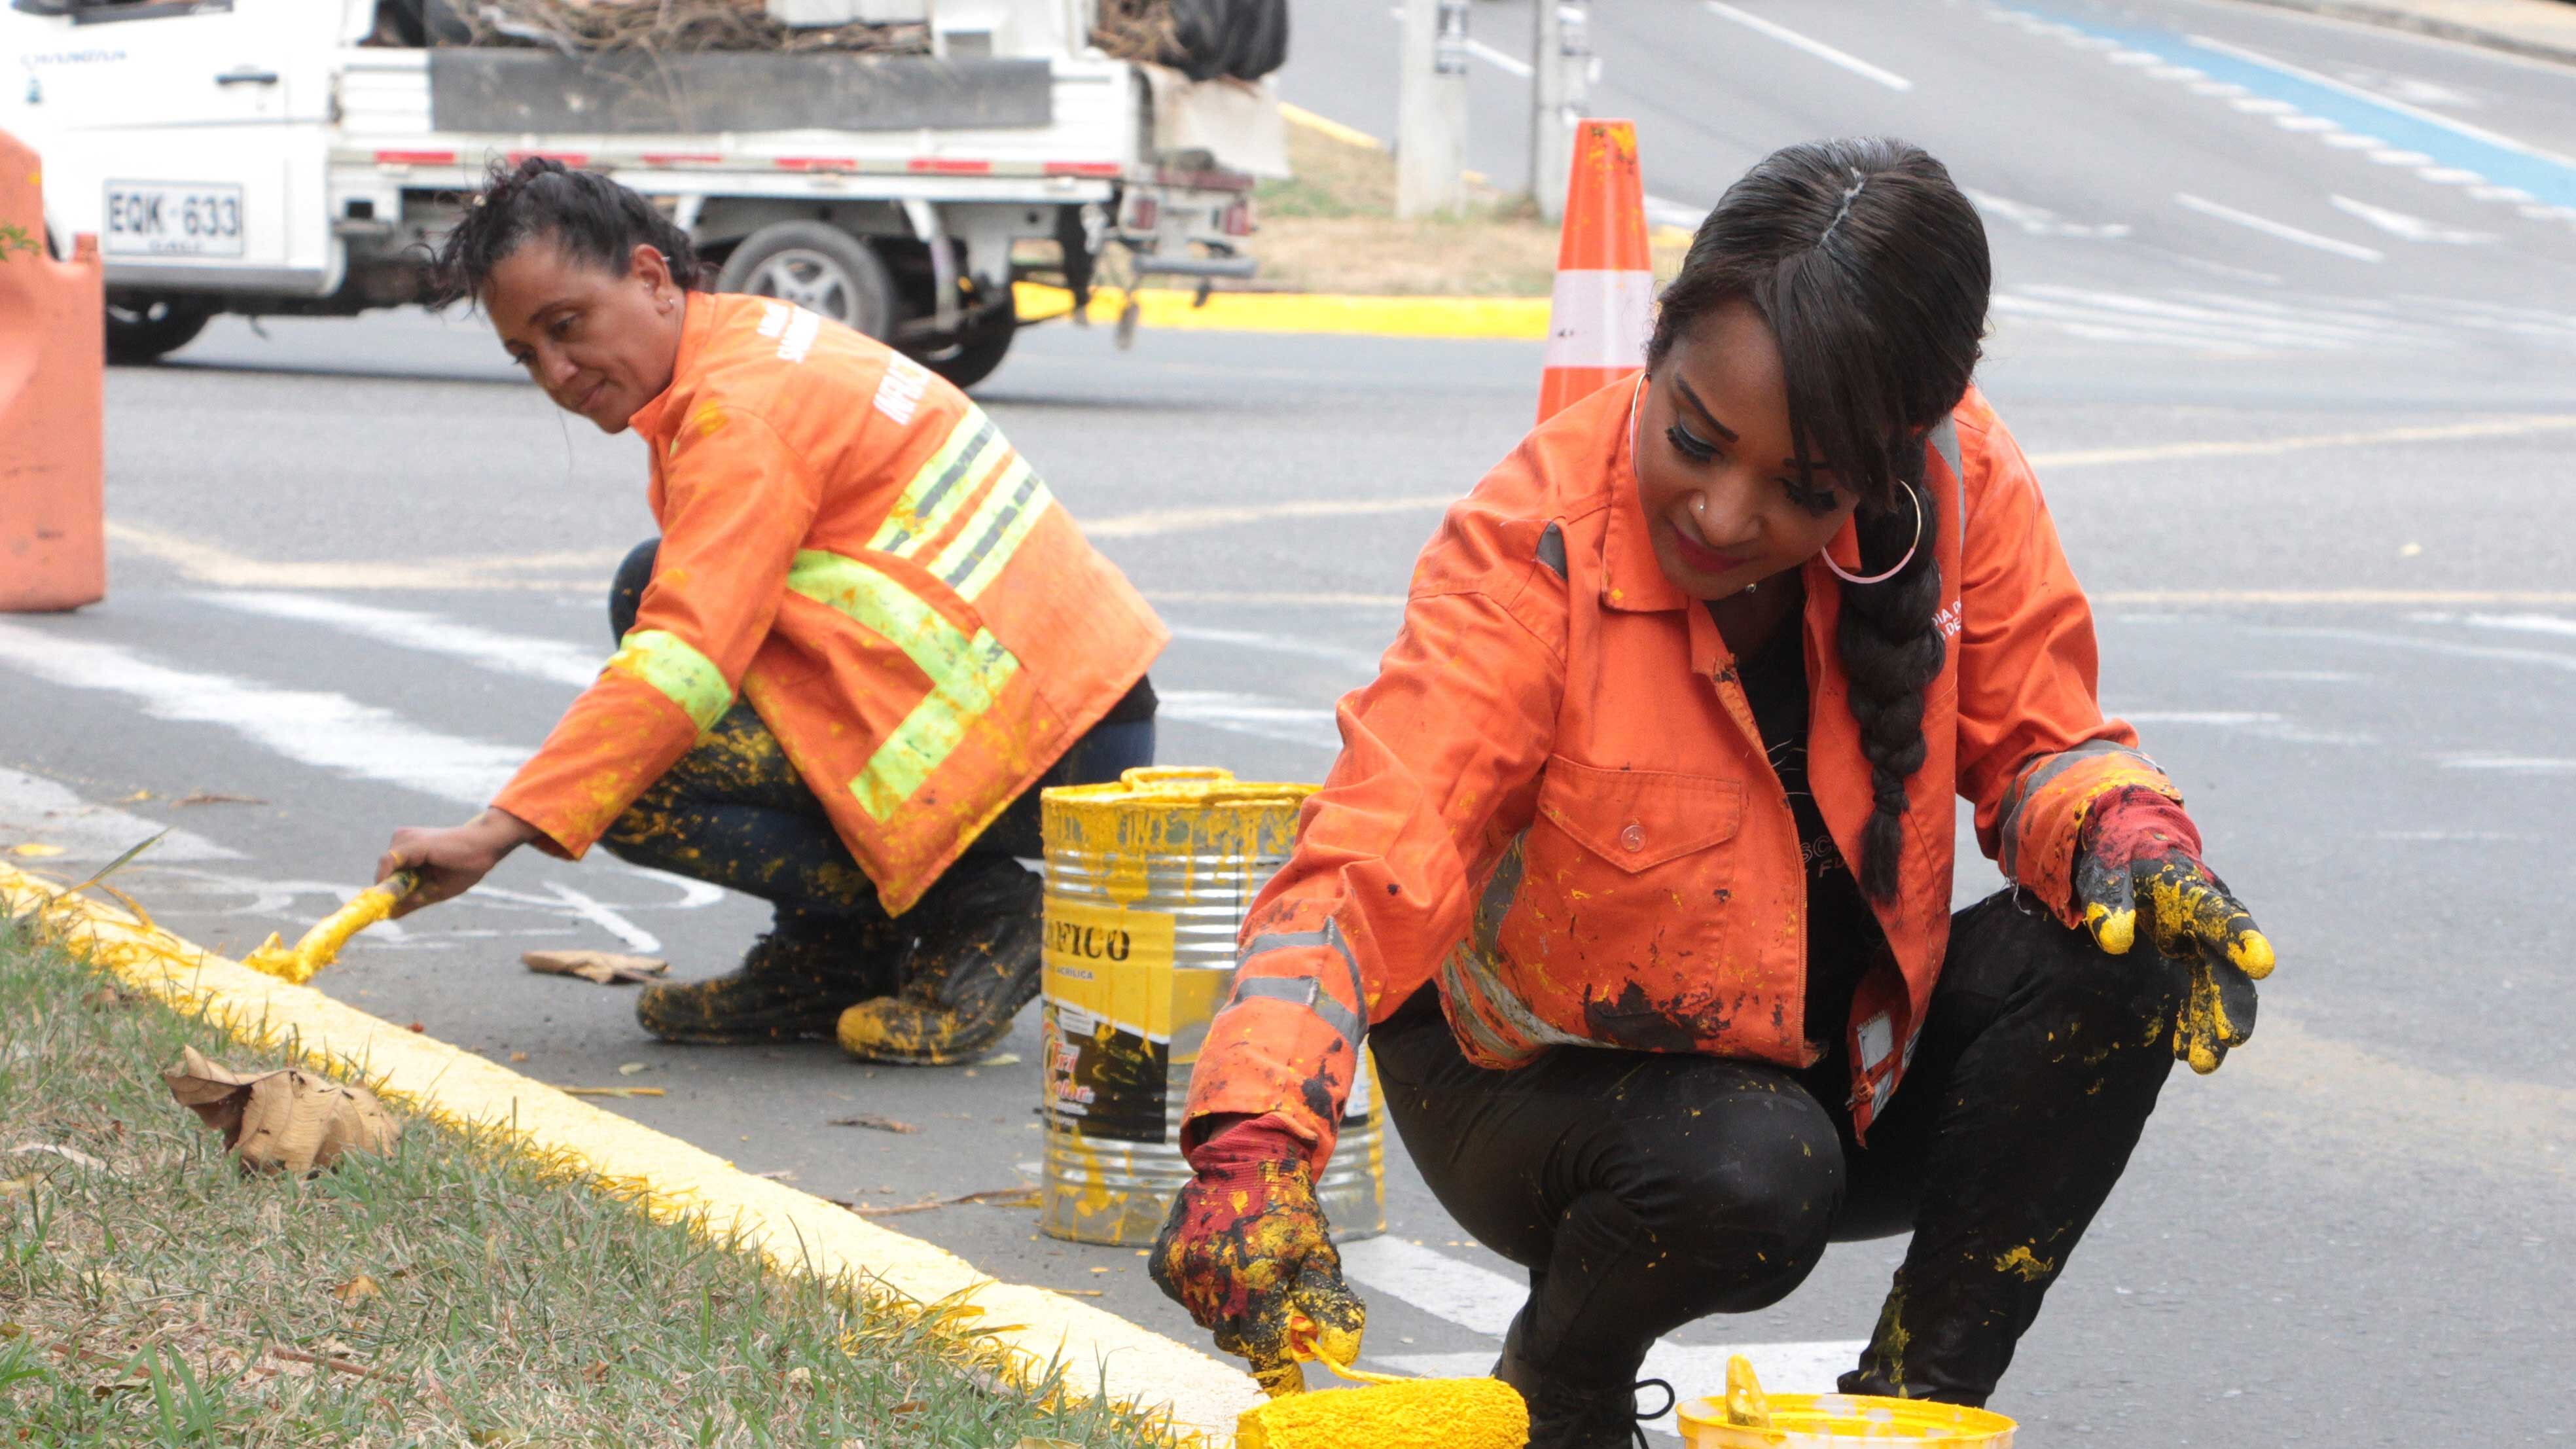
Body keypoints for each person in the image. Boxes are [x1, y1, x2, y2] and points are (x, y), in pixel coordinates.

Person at [1148, 138, 2276, 1444]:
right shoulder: (1530, 547)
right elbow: (1369, 856)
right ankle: (1562, 1387)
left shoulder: (1963, 481)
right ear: (1657, 344)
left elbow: (2043, 743)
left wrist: (2131, 836)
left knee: (2123, 961)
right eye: (1695, 439)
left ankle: (1918, 1411)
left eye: (1804, 490)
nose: (1726, 518)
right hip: (1537, 1081)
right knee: (1752, 1165)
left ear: (1890, 461)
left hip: (1831, 1053)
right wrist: (1254, 1138)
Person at [373, 158, 1166, 1065]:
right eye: (527, 354)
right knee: (649, 580)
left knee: (630, 788)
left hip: (1045, 749)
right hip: (1060, 699)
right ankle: (832, 953)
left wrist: (499, 829)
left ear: (650, 276)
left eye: (567, 326)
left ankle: (979, 915)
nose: (555, 371)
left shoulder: (739, 414)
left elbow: (685, 658)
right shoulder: (745, 340)